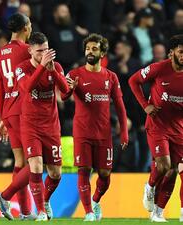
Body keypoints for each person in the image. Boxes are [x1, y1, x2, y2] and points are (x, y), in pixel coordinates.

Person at [0, 31, 69, 221]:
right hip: (30, 124)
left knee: (55, 173)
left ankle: (40, 201)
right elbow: (27, 88)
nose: (43, 54)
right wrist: (42, 67)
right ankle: (41, 212)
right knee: (35, 165)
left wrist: (52, 70)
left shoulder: (56, 66)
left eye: (46, 50)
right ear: (30, 50)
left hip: (51, 125)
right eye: (39, 51)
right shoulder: (22, 68)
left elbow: (65, 91)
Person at [61, 33, 128, 221]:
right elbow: (64, 97)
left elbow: (120, 107)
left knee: (105, 175)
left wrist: (123, 132)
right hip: (82, 131)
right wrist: (71, 89)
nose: (90, 52)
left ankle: (96, 200)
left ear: (103, 52)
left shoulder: (111, 77)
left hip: (104, 133)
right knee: (84, 170)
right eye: (88, 48)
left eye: (94, 49)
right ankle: (88, 211)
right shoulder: (74, 74)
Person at [129, 34, 183, 222]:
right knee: (164, 165)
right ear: (171, 54)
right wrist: (145, 105)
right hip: (157, 125)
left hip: (178, 129)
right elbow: (133, 81)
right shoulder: (159, 68)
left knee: (173, 171)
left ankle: (158, 213)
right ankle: (149, 187)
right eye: (181, 52)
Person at [0, 12, 34, 220]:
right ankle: (5, 196)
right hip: (23, 111)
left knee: (20, 162)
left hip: (8, 111)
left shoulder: (0, 54)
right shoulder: (27, 51)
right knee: (37, 162)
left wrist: (2, 117)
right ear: (26, 27)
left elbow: (0, 89)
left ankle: (26, 212)